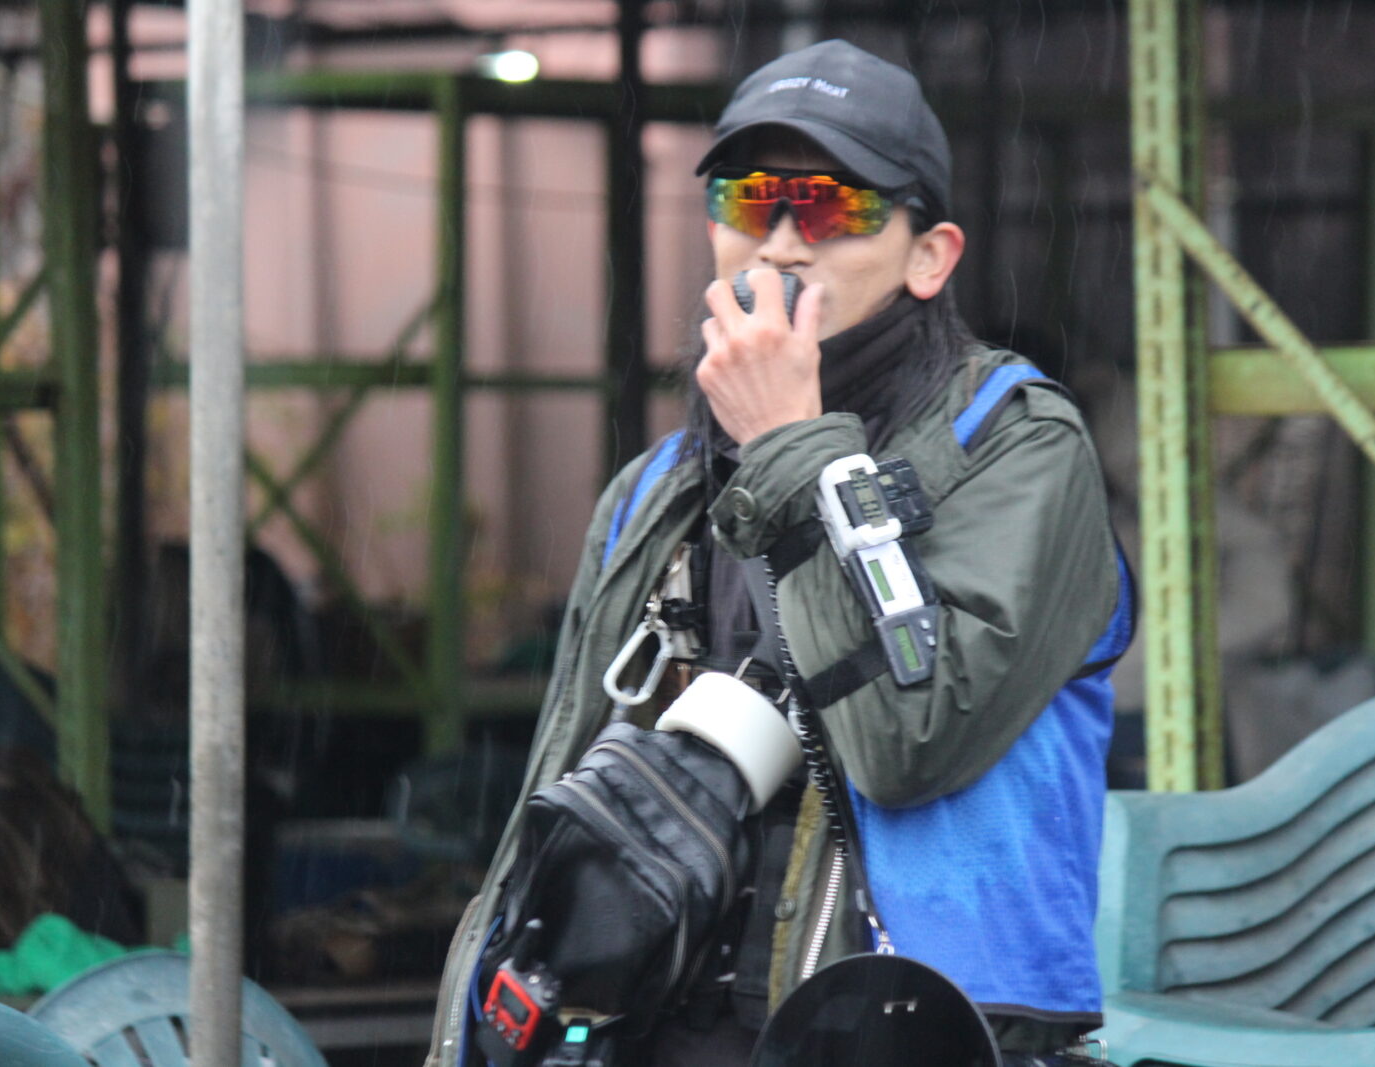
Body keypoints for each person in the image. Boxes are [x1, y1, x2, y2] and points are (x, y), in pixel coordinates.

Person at [425, 39, 1131, 1067]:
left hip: (908, 1031)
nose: (785, 243)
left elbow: (908, 741)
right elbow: (563, 781)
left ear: (930, 256)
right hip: (661, 1029)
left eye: (835, 208)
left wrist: (791, 445)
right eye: (751, 201)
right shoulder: (654, 490)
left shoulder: (1017, 445)